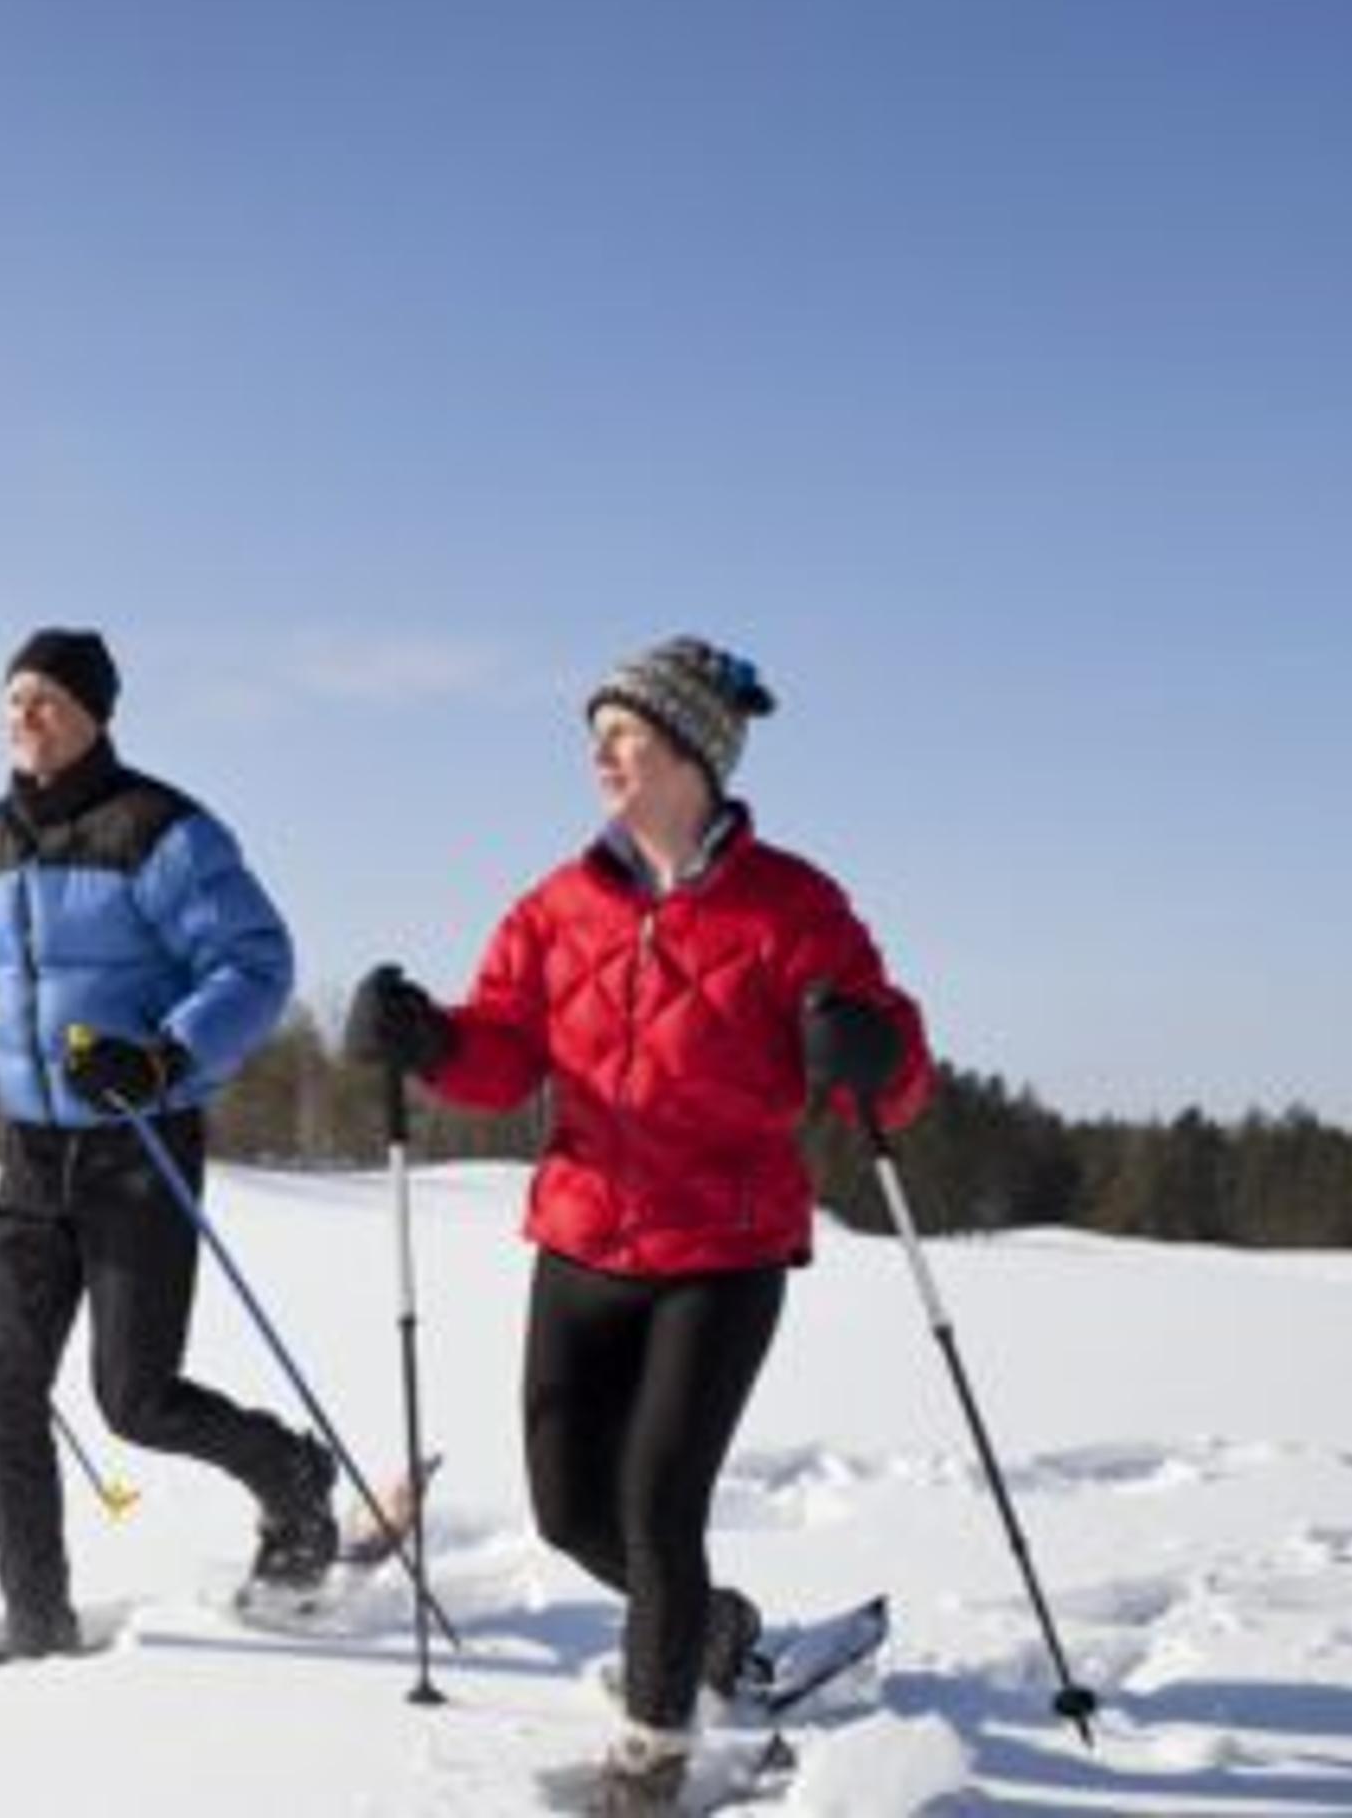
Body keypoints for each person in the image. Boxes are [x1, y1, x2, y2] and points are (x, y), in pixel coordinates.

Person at [345, 636, 929, 1810]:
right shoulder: (558, 906)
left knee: (661, 1502)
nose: (604, 757)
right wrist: (427, 1038)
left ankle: (653, 1762)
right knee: (571, 1512)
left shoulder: (793, 905)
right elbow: (505, 1051)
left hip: (723, 1250)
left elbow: (896, 1061)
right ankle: (716, 1627)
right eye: (597, 738)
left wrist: (872, 1051)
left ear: (696, 755)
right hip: (580, 1238)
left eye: (628, 736)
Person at [0, 626, 326, 1659]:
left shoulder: (159, 831)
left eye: (46, 699)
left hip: (137, 1147)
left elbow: (255, 963)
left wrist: (163, 1057)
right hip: (30, 1156)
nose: (24, 716)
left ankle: (289, 1474)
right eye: (13, 698)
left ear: (96, 712)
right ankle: (39, 1627)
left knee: (135, 1401)